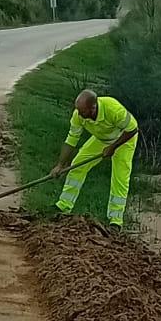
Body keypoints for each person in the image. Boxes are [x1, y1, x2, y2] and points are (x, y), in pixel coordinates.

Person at [50, 89, 138, 228]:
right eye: (78, 110)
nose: (79, 114)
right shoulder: (78, 116)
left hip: (124, 140)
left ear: (93, 107)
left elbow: (132, 130)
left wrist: (113, 147)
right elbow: (71, 140)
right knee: (77, 165)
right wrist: (60, 165)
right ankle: (64, 206)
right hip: (102, 139)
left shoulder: (113, 108)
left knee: (120, 178)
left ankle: (115, 221)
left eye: (82, 111)